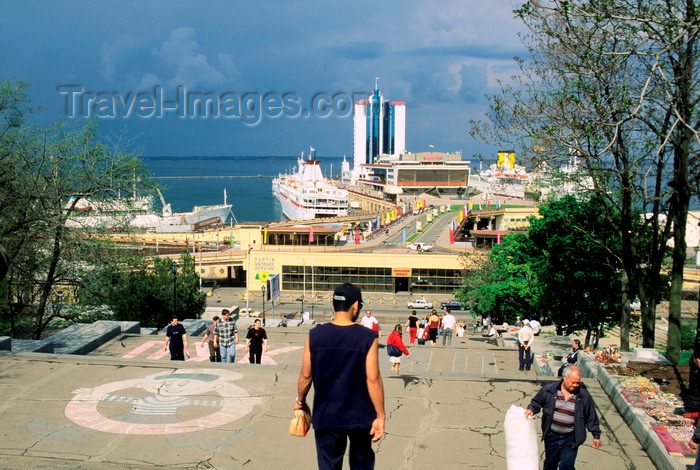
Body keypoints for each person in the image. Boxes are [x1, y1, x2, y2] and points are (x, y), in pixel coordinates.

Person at [295, 282, 385, 469]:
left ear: (333, 306)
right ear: (356, 306)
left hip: (327, 415)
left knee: (329, 465)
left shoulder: (314, 335)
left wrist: (300, 401)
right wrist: (381, 415)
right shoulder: (367, 337)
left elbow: (305, 376)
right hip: (360, 417)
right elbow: (373, 379)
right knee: (361, 464)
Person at [524, 365, 601, 469]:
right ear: (565, 377)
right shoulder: (549, 390)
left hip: (571, 437)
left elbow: (591, 416)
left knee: (567, 466)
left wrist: (596, 435)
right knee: (550, 464)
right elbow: (537, 402)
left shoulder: (583, 396)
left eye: (578, 382)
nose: (575, 385)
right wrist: (531, 409)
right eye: (573, 382)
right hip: (552, 435)